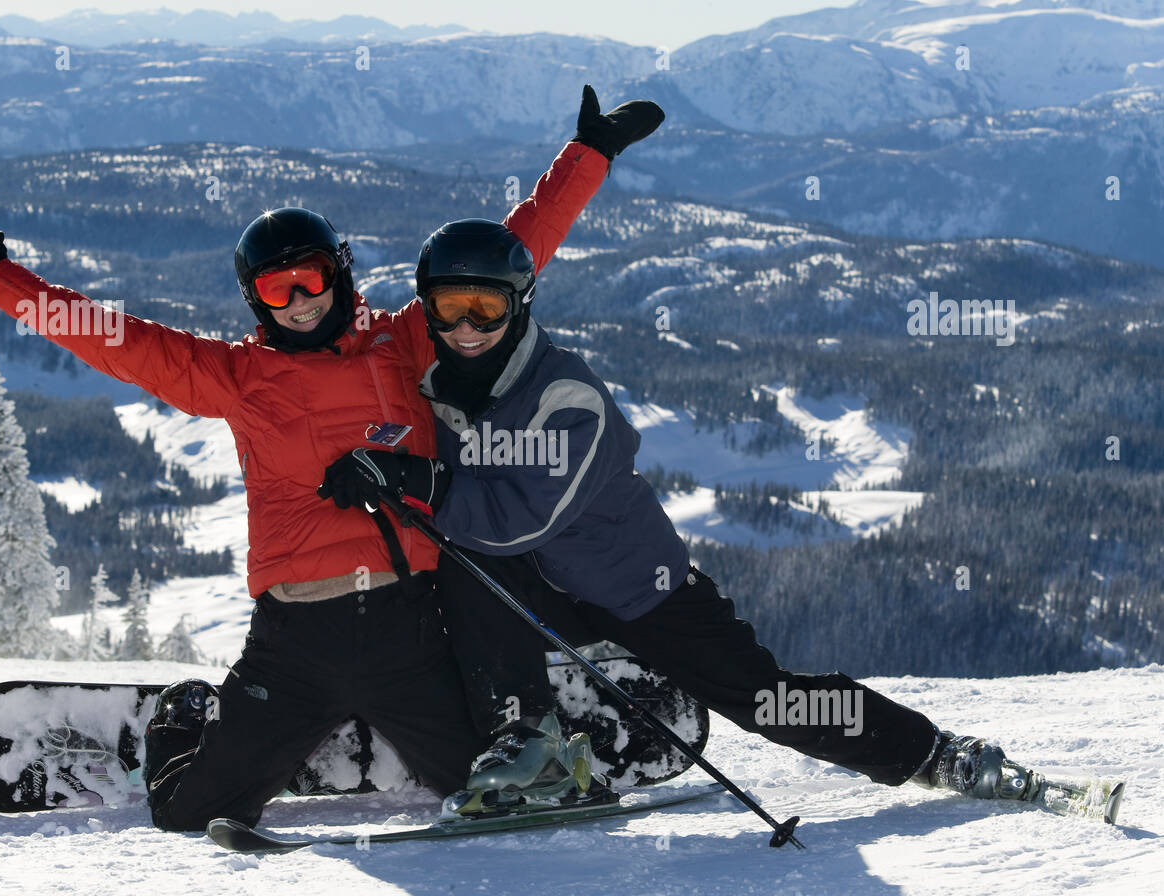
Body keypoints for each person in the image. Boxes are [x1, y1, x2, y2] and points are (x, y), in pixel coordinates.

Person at [0, 85, 664, 831]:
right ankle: (190, 717)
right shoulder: (239, 379)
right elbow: (117, 341)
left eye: (311, 277)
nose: (300, 300)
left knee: (491, 791)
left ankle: (466, 727)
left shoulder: (402, 344)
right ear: (256, 299)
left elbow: (511, 251)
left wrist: (589, 153)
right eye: (278, 288)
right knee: (185, 812)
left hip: (411, 630)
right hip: (296, 643)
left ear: (338, 270)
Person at [318, 219, 1039, 817]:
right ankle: (519, 745)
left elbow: (517, 522)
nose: (467, 327)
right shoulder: (434, 387)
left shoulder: (567, 397)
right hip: (536, 593)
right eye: (448, 309)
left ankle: (935, 754)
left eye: (487, 308)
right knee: (456, 578)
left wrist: (417, 477)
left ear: (522, 304)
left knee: (765, 700)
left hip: (638, 591)